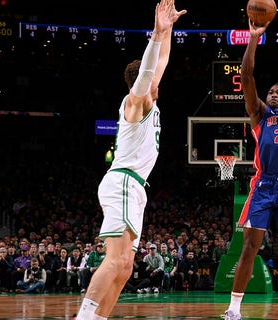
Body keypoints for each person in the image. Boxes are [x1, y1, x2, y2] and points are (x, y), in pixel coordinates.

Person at [75, 2, 186, 319]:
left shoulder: (150, 97)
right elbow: (152, 67)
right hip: (122, 182)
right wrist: (156, 33)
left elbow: (162, 59)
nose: (158, 80)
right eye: (153, 78)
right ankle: (85, 315)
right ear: (143, 82)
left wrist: (168, 29)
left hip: (134, 188)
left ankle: (99, 317)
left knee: (125, 266)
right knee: (114, 260)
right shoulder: (135, 102)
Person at [223, 18, 278, 320]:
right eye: (271, 91)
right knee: (249, 247)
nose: (273, 94)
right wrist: (253, 38)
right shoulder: (259, 114)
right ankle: (234, 308)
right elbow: (246, 76)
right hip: (262, 186)